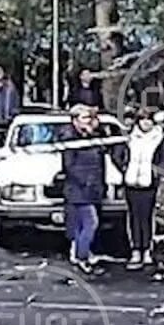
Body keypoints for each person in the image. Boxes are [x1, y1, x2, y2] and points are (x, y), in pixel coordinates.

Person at [117, 107, 164, 270]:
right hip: (131, 182)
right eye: (142, 119)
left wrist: (155, 174)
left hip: (149, 184)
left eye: (149, 120)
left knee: (147, 217)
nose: (145, 123)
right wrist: (124, 168)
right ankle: (135, 250)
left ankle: (147, 250)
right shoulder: (129, 137)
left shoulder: (159, 139)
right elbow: (118, 154)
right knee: (133, 217)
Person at [60, 104, 106, 274]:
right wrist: (85, 181)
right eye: (85, 118)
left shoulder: (91, 137)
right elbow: (69, 165)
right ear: (75, 120)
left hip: (92, 188)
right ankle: (82, 256)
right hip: (79, 189)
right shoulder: (70, 138)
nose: (89, 121)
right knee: (90, 223)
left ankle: (81, 252)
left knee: (82, 225)